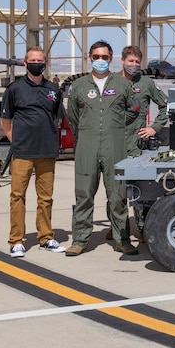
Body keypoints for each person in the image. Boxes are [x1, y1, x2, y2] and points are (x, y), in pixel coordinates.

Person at [66, 40, 138, 257]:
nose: (100, 61)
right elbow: (72, 116)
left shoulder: (123, 85)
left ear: (111, 58)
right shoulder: (79, 86)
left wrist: (115, 125)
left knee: (117, 195)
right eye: (96, 57)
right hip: (87, 145)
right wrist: (88, 130)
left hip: (114, 145)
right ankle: (79, 240)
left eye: (104, 57)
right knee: (84, 193)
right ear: (90, 58)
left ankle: (122, 239)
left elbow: (134, 109)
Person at [0, 47, 65, 257]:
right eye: (33, 60)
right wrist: (16, 141)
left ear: (45, 63)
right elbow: (5, 120)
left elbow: (57, 118)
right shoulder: (14, 89)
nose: (37, 63)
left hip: (46, 151)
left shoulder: (54, 89)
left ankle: (46, 237)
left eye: (41, 60)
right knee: (17, 196)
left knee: (45, 198)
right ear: (25, 63)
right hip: (23, 152)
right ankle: (16, 240)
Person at [121, 45, 168, 157]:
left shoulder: (146, 83)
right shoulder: (112, 81)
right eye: (131, 61)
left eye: (137, 62)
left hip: (135, 144)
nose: (134, 64)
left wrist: (154, 128)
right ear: (122, 60)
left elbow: (166, 105)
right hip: (113, 141)